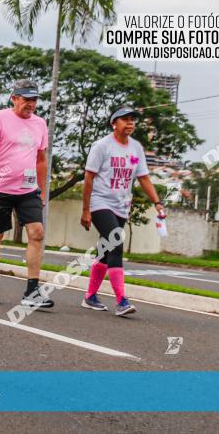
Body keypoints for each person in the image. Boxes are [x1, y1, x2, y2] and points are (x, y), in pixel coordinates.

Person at [81, 106, 165, 316]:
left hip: (121, 206)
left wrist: (157, 202)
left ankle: (90, 297)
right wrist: (86, 210)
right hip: (100, 202)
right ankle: (122, 301)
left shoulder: (135, 149)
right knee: (116, 244)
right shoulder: (101, 146)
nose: (130, 124)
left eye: (132, 120)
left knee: (105, 250)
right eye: (125, 120)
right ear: (113, 123)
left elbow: (143, 177)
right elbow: (89, 178)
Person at [0, 79, 52, 308]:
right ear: (14, 98)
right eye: (26, 99)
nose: (31, 104)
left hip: (28, 190)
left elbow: (41, 159)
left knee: (37, 233)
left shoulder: (40, 124)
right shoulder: (0, 118)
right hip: (0, 189)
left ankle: (32, 291)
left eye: (34, 100)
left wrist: (41, 191)